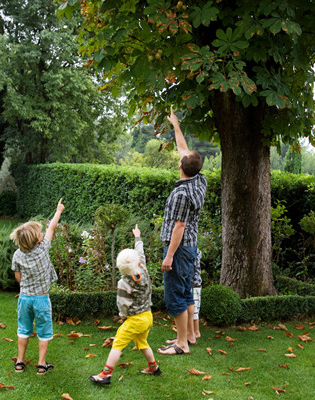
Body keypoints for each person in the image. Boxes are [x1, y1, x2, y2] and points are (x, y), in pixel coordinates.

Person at [157, 106, 207, 356]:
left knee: (175, 295)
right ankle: (188, 336)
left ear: (180, 166)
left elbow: (179, 226)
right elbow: (183, 149)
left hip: (178, 248)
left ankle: (181, 344)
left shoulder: (180, 194)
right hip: (191, 248)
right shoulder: (200, 180)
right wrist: (176, 125)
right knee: (186, 291)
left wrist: (168, 257)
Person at [90, 224, 160, 385]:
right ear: (136, 262)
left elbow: (122, 303)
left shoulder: (124, 282)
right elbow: (140, 253)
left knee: (118, 343)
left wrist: (122, 316)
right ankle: (153, 367)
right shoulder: (143, 269)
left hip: (135, 319)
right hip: (147, 316)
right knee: (142, 342)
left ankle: (105, 374)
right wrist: (137, 237)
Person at [10, 198, 64, 375]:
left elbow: (17, 276)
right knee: (44, 331)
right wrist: (58, 210)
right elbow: (52, 228)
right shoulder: (43, 248)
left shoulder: (18, 255)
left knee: (23, 329)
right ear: (36, 240)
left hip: (25, 298)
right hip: (41, 298)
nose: (42, 234)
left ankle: (19, 362)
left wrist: (25, 286)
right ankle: (41, 364)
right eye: (39, 233)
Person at [166, 249, 202, 345]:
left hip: (194, 283)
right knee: (188, 299)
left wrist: (169, 256)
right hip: (193, 282)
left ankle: (191, 335)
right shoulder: (194, 250)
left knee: (180, 297)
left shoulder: (191, 251)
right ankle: (188, 335)